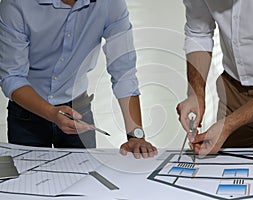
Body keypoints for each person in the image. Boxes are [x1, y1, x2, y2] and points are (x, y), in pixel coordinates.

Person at [0, 0, 157, 159]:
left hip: (78, 111)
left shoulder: (110, 3)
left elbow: (123, 72)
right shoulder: (17, 4)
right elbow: (12, 76)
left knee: (87, 179)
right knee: (27, 182)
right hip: (28, 112)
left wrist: (136, 135)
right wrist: (52, 113)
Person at [177, 0, 253, 155]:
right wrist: (196, 93)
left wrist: (228, 125)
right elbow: (198, 33)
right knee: (224, 170)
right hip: (232, 92)